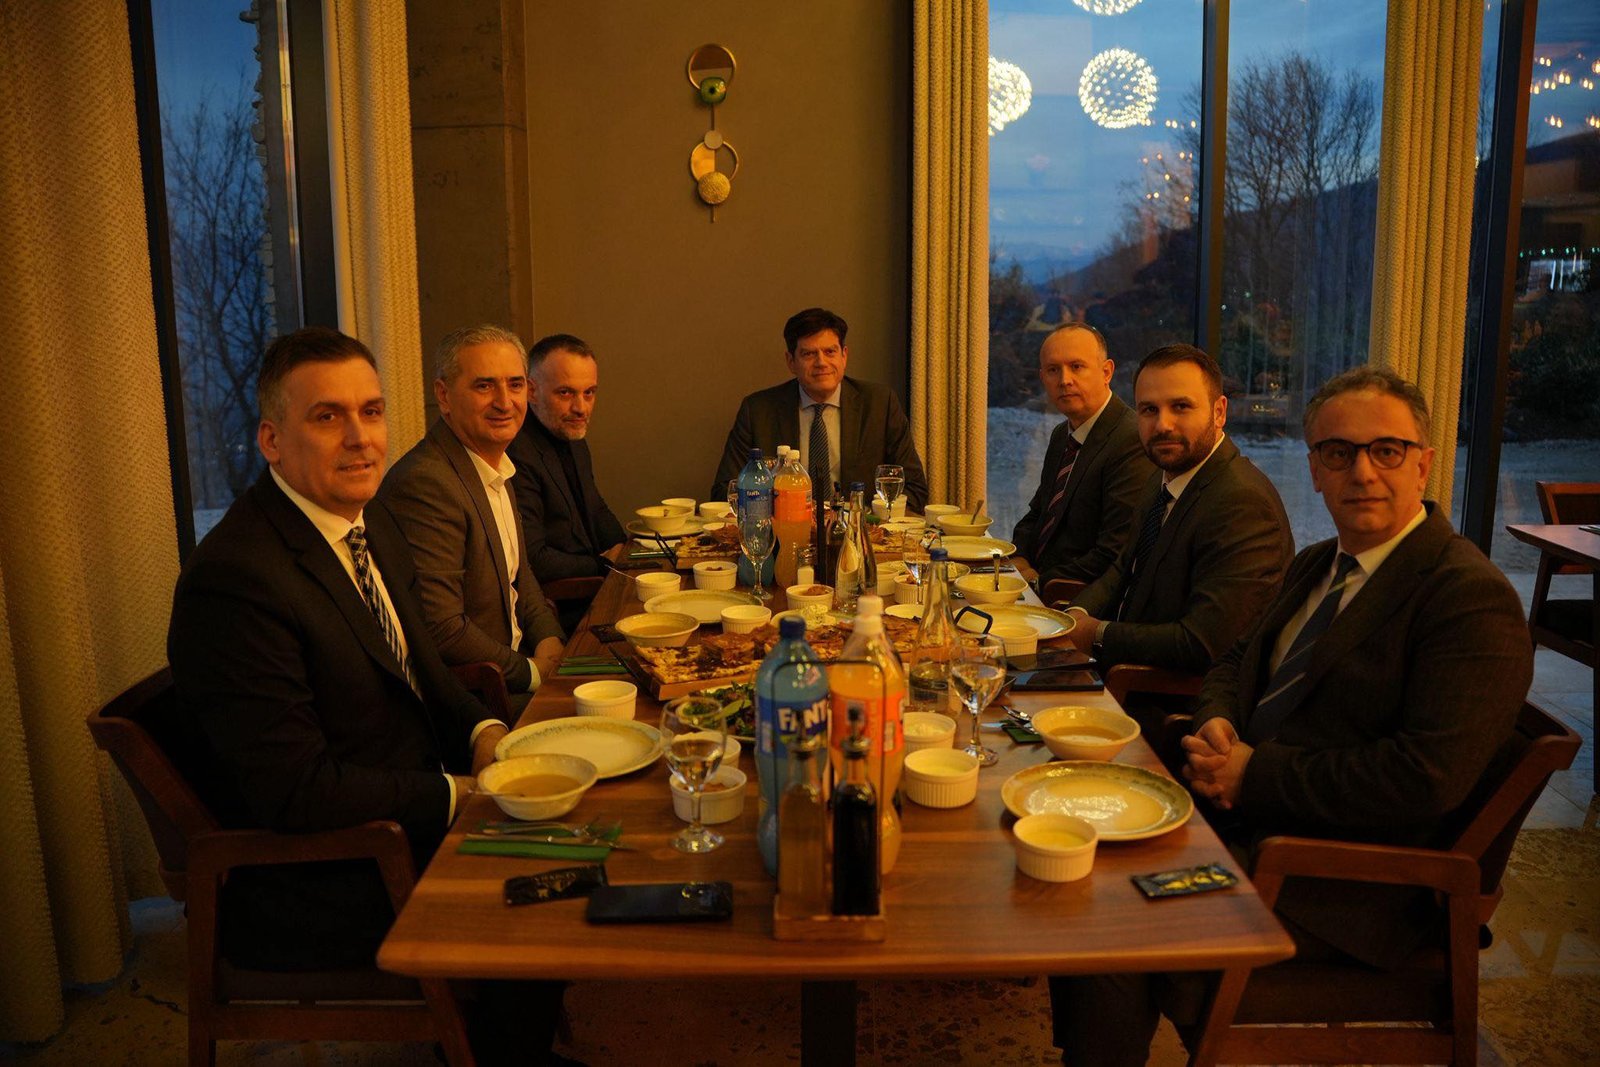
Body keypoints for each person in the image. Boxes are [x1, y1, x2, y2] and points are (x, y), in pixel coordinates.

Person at [1048, 367, 1535, 1066]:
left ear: (1424, 463)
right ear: (1314, 469)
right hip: (1250, 824)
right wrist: (1216, 724)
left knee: (1110, 915)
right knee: (1081, 846)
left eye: (1386, 450)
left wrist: (1255, 775)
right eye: (1337, 452)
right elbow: (1231, 660)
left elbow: (1424, 778)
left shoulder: (1467, 598)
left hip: (1341, 882)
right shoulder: (1319, 564)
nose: (1361, 471)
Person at [166, 327, 569, 1064]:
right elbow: (297, 791)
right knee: (549, 880)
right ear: (271, 440)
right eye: (328, 416)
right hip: (326, 870)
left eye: (372, 412)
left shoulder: (369, 519)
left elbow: (428, 671)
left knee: (581, 827)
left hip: (396, 806)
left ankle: (506, 1041)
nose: (360, 438)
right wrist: (460, 793)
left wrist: (484, 732)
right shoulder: (236, 581)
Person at [1061, 344, 1292, 675]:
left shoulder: (1243, 504)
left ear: (1219, 412)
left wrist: (1096, 634)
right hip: (1115, 669)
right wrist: (1075, 616)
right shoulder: (1164, 476)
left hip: (1156, 694)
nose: (1163, 425)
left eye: (1181, 407)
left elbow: (1201, 644)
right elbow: (1123, 569)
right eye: (1149, 410)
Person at [379, 325, 565, 708]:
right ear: (443, 395)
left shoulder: (493, 462)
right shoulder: (426, 482)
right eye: (484, 386)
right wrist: (534, 672)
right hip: (482, 699)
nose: (504, 402)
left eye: (515, 385)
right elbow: (442, 628)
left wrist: (551, 642)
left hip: (521, 667)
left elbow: (521, 577)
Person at [711, 307, 929, 510]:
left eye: (830, 351)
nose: (821, 362)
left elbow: (915, 489)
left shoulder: (880, 404)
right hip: (784, 531)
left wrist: (865, 522)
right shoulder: (758, 411)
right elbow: (725, 491)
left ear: (844, 356)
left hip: (860, 531)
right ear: (791, 361)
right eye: (809, 354)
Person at [1012, 323, 1153, 589]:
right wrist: (1018, 556)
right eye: (1053, 370)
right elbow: (1039, 513)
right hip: (1035, 582)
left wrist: (1038, 582)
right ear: (1042, 377)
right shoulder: (1061, 434)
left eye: (1076, 367)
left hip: (1076, 597)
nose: (1064, 380)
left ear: (1106, 372)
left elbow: (1113, 553)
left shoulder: (1132, 439)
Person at [505, 333, 627, 632]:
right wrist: (605, 564)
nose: (581, 408)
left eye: (589, 393)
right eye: (565, 393)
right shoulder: (516, 451)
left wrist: (625, 551)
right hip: (562, 611)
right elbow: (532, 558)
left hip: (599, 590)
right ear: (532, 391)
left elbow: (596, 508)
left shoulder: (572, 436)